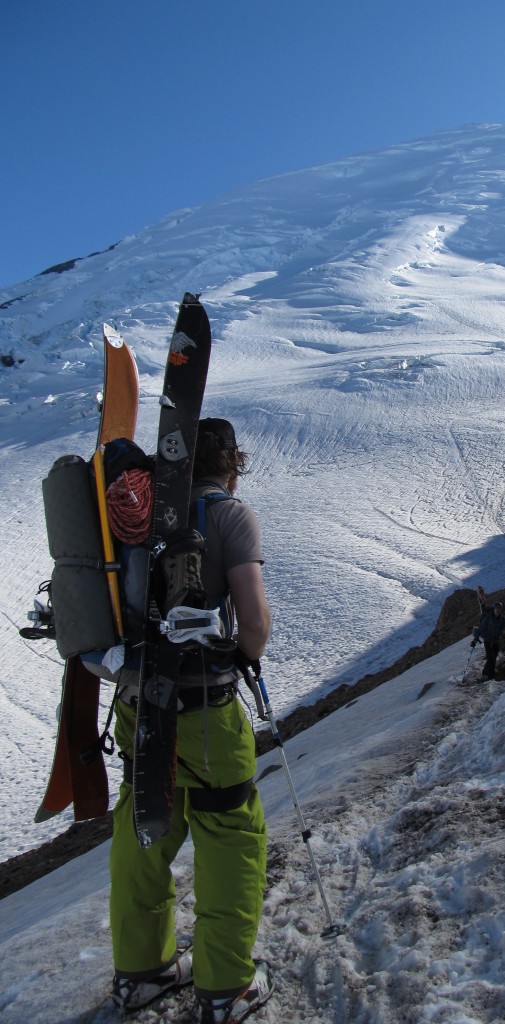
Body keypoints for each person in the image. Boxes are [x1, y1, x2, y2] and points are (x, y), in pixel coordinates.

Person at [109, 418, 273, 1024]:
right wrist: (245, 654)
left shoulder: (138, 516)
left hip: (135, 706)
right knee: (230, 834)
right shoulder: (228, 515)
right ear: (232, 462)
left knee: (143, 824)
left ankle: (141, 972)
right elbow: (252, 622)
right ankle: (226, 986)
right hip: (205, 714)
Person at [471, 586, 505, 680]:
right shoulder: (488, 618)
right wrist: (475, 639)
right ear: (494, 609)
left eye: (499, 610)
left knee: (492, 658)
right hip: (488, 641)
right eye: (497, 609)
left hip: (496, 642)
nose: (498, 611)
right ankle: (490, 676)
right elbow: (480, 629)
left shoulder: (502, 620)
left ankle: (485, 673)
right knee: (491, 659)